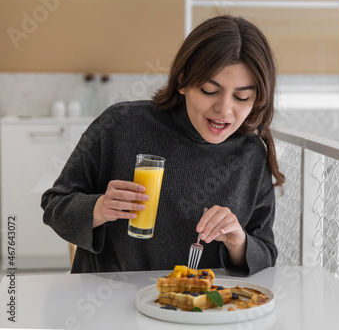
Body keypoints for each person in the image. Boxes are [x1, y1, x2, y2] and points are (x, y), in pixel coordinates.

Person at [41, 15, 285, 276]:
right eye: (209, 90)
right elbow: (55, 207)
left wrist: (238, 241)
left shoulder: (251, 154)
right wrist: (100, 208)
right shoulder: (120, 125)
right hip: (111, 302)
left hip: (200, 307)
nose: (224, 109)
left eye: (241, 97)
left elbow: (265, 255)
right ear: (182, 81)